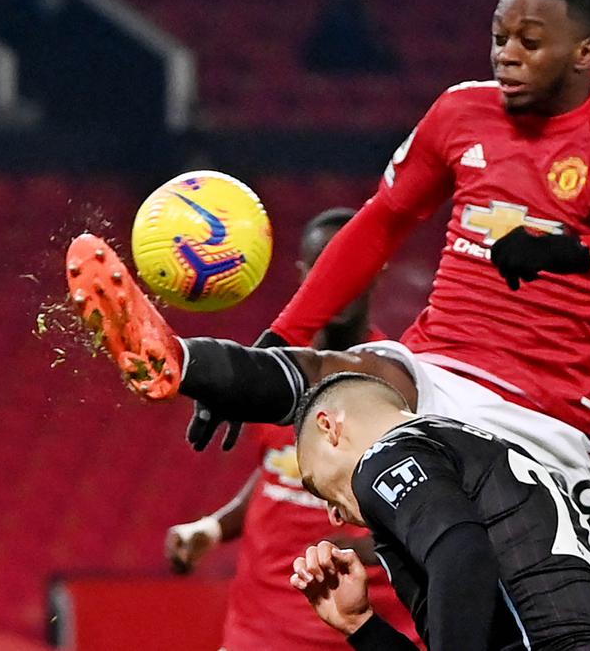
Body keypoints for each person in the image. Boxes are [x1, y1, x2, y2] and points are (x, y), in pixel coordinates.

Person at [178, 0, 590, 550]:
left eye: (530, 42)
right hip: (436, 368)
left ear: (584, 52)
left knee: (508, 593)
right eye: (499, 37)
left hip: (542, 412)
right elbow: (381, 220)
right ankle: (178, 361)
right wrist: (277, 345)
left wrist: (569, 251)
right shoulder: (462, 111)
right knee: (351, 383)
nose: (506, 55)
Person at [162, 208, 416, 649]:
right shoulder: (275, 375)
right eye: (323, 266)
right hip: (258, 630)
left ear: (378, 271)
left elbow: (433, 509)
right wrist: (213, 527)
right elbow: (275, 469)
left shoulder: (401, 384)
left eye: (350, 264)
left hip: (359, 628)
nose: (337, 279)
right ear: (304, 276)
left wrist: (368, 549)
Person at [288, 371, 590, 650]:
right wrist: (361, 624)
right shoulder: (471, 452)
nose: (333, 514)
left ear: (329, 427)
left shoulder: (384, 457)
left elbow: (463, 553)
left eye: (316, 485)